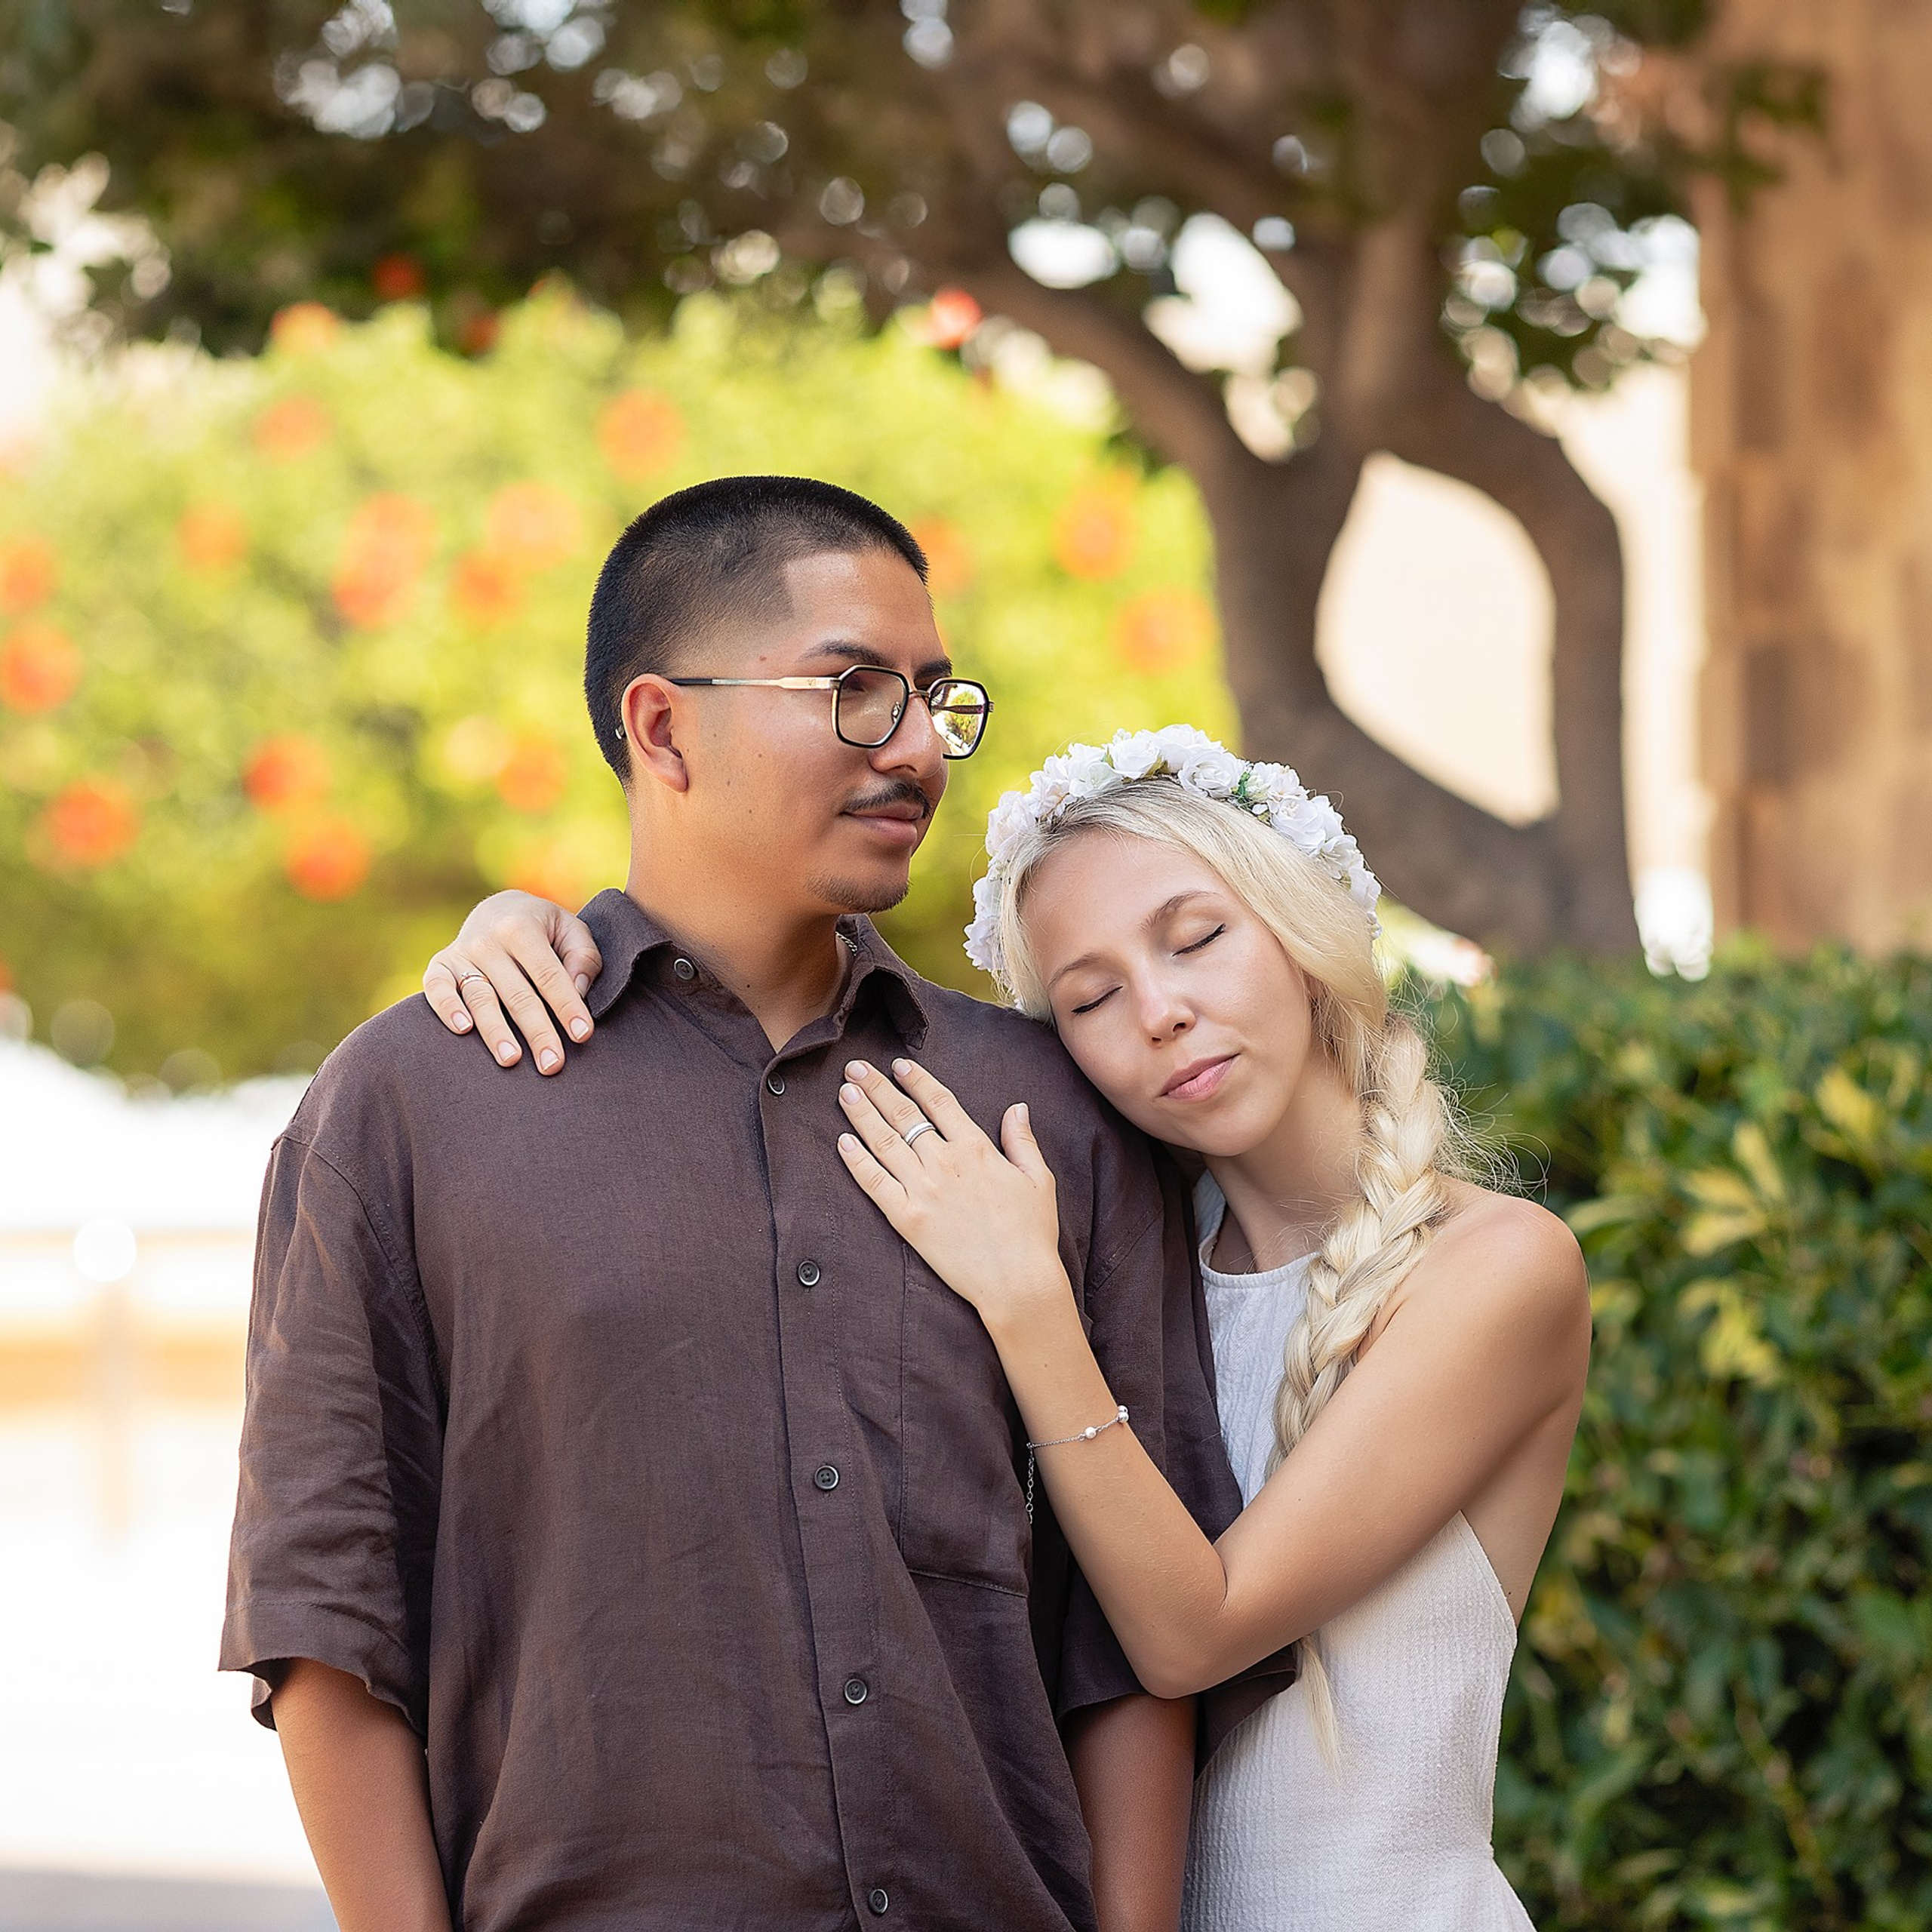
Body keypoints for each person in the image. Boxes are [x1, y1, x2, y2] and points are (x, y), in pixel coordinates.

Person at [224, 481, 1281, 1932]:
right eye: (854, 689)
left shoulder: (1053, 1111)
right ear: (663, 729)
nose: (916, 747)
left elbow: (1129, 1642)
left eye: (931, 695)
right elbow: (329, 1625)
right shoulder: (412, 1107)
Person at [438, 724, 1592, 1930]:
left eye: (1198, 939)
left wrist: (1028, 1304)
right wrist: (530, 930)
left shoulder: (1494, 1269)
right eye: (1090, 998)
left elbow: (1195, 1634)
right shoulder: (1127, 1267)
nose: (1160, 1012)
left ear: (1304, 936)